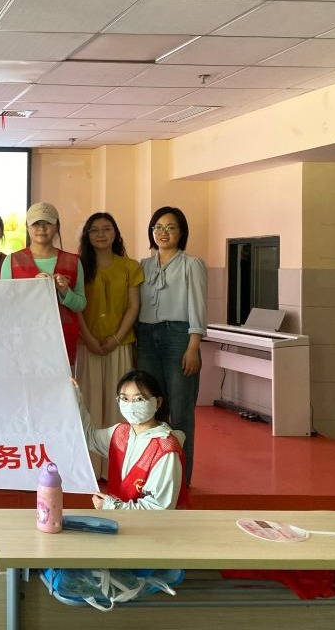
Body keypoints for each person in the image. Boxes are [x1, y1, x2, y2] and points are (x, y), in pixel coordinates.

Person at [137, 206, 206, 485]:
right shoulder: (143, 265)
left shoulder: (192, 264)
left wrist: (193, 345)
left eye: (171, 227)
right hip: (145, 337)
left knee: (180, 409)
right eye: (158, 227)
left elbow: (198, 306)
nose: (163, 232)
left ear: (182, 232)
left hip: (178, 337)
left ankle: (180, 479)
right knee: (151, 407)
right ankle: (154, 475)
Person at [75, 212, 143, 479]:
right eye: (94, 230)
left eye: (106, 229)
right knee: (89, 405)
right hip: (87, 345)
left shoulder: (130, 266)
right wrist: (89, 339)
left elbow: (134, 306)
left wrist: (116, 338)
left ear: (115, 233)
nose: (101, 234)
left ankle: (117, 468)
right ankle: (90, 468)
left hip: (120, 345)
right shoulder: (79, 266)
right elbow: (75, 307)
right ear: (87, 235)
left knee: (119, 406)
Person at [77, 370, 189, 510]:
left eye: (139, 399)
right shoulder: (120, 434)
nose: (131, 405)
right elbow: (87, 436)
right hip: (120, 519)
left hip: (151, 523)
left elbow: (159, 509)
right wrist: (75, 397)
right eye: (124, 399)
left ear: (158, 402)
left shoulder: (165, 450)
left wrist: (112, 507)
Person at [1, 202, 85, 366]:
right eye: (36, 224)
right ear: (27, 227)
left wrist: (65, 291)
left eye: (47, 223)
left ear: (57, 226)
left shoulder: (73, 261)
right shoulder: (12, 261)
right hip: (23, 339)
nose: (41, 228)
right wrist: (32, 289)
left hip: (62, 339)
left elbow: (80, 304)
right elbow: (4, 305)